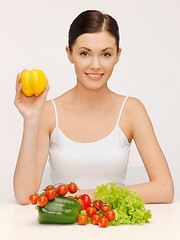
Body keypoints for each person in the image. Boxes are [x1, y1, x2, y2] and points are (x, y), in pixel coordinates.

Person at [13, 10, 174, 205]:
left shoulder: (132, 110)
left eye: (106, 54)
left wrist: (87, 196)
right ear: (70, 54)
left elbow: (165, 189)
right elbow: (24, 195)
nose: (95, 65)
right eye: (84, 53)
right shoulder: (48, 112)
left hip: (114, 228)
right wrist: (31, 119)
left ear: (117, 56)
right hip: (63, 228)